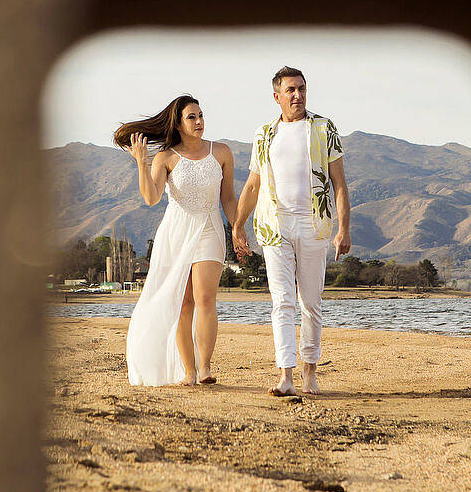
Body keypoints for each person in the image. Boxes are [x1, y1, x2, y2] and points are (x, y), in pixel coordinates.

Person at [233, 67, 351, 396]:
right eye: (290, 90)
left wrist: (344, 228)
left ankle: (309, 373)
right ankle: (285, 376)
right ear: (277, 96)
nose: (297, 95)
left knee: (310, 302)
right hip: (275, 227)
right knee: (282, 301)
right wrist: (238, 224)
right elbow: (253, 183)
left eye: (301, 89)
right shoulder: (264, 134)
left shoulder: (323, 127)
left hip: (314, 225)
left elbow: (339, 183)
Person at [116, 95, 237, 386]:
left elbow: (229, 198)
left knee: (206, 298)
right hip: (176, 232)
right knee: (184, 304)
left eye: (201, 115)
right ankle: (189, 371)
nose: (199, 122)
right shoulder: (166, 158)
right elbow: (151, 197)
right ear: (179, 124)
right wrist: (142, 164)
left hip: (210, 226)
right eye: (192, 117)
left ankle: (205, 368)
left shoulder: (221, 152)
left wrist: (239, 228)